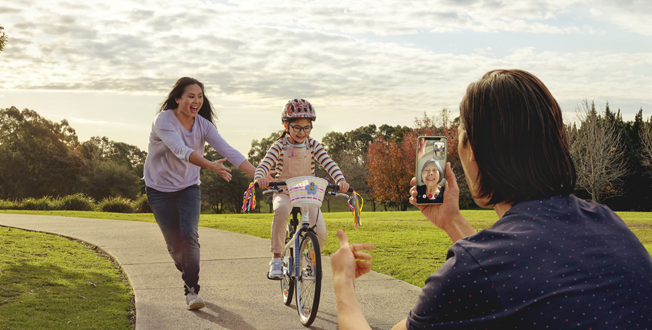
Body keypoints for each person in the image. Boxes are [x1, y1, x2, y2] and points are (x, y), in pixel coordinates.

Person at [330, 69, 652, 329]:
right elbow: (518, 273)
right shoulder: (608, 221)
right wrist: (452, 220)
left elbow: (494, 271)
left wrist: (343, 281)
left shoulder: (470, 270)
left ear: (471, 151)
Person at [143, 77, 258, 310]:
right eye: (190, 96)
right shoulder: (163, 120)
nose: (196, 101)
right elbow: (180, 150)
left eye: (200, 96)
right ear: (178, 98)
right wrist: (210, 165)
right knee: (175, 246)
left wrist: (258, 174)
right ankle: (187, 267)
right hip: (159, 189)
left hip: (188, 187)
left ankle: (192, 290)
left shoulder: (203, 125)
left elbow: (229, 151)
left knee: (189, 236)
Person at [254, 98, 349, 279]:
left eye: (306, 128)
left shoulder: (313, 145)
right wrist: (260, 177)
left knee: (319, 230)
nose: (302, 132)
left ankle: (310, 257)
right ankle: (276, 258)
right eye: (297, 127)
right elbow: (265, 164)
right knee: (281, 210)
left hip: (308, 192)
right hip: (284, 190)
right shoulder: (280, 145)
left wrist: (341, 180)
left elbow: (329, 163)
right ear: (286, 125)